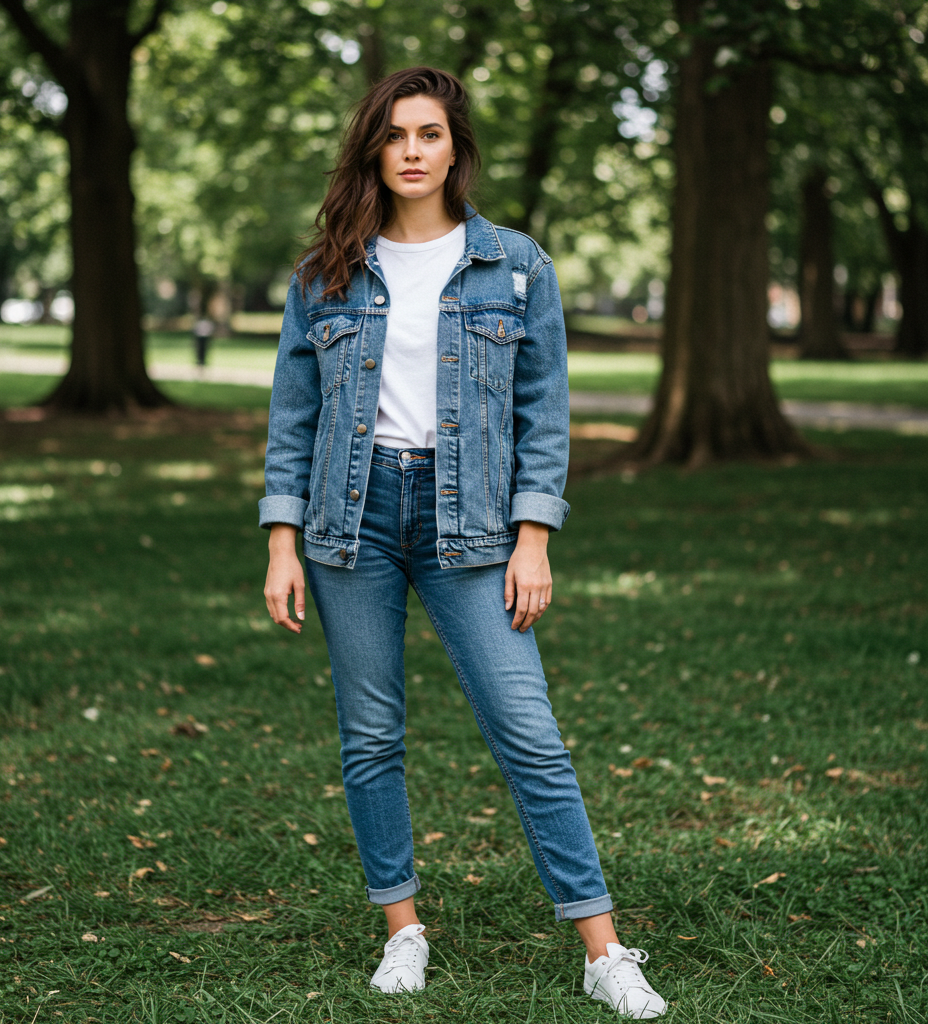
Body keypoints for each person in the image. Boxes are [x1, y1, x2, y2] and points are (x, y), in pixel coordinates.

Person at [260, 67, 667, 1019]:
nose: (412, 150)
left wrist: (536, 538)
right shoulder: (326, 271)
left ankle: (603, 949)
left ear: (456, 148)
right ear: (374, 148)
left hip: (473, 524)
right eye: (395, 134)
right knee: (371, 735)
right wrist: (283, 540)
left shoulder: (514, 264)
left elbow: (543, 413)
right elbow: (293, 412)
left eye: (430, 134)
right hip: (347, 521)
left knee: (529, 733)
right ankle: (402, 931)